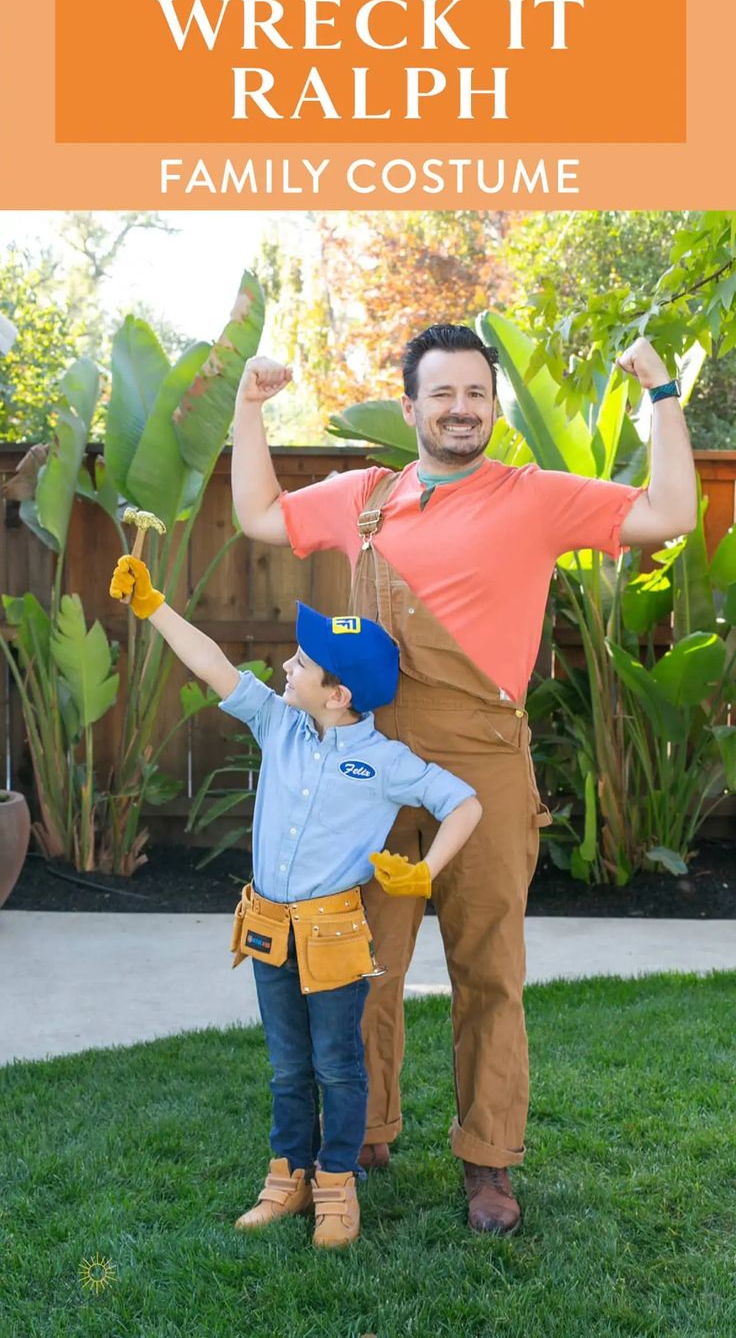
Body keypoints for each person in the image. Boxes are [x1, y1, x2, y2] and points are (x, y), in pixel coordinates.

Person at [229, 325, 698, 1237]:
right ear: (410, 408)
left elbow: (670, 510)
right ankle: (363, 1130)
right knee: (362, 964)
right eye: (441, 394)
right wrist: (248, 406)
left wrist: (664, 393)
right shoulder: (364, 499)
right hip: (371, 767)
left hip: (483, 757)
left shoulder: (535, 497)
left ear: (494, 406)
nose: (460, 409)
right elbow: (258, 514)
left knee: (490, 971)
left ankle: (490, 1160)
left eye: (476, 394)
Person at [108, 556, 481, 1248]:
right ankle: (288, 1177)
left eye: (304, 662)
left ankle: (337, 1183)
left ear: (337, 694)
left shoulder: (385, 761)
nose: (287, 666)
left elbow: (464, 800)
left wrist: (428, 869)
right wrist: (154, 605)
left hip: (334, 937)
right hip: (267, 930)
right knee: (286, 1064)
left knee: (337, 1064)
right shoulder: (279, 725)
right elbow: (216, 665)